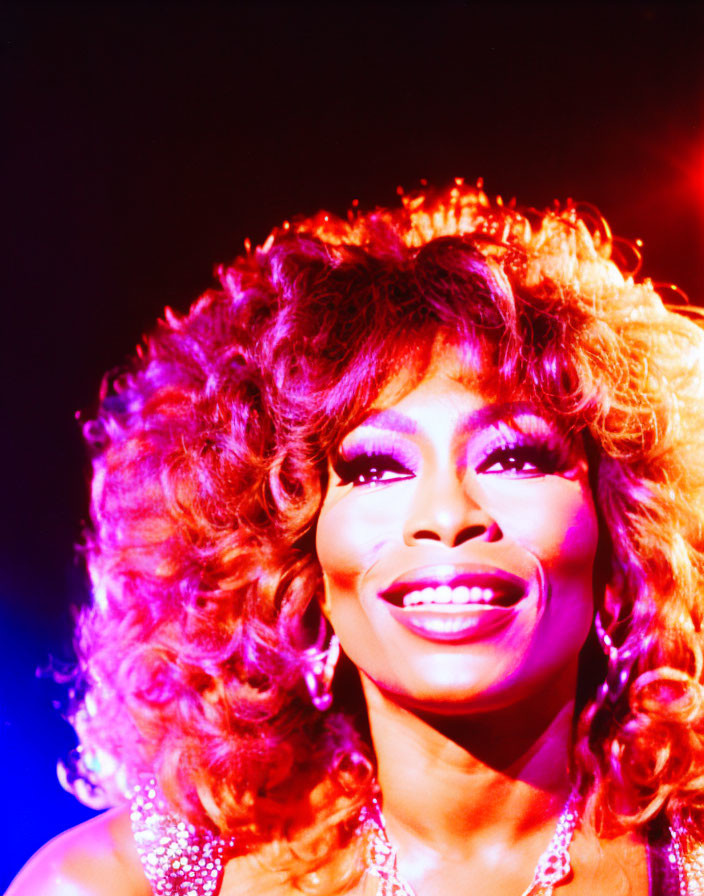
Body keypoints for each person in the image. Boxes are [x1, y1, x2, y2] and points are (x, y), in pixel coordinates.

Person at [8, 181, 704, 896]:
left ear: (624, 527)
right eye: (375, 468)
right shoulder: (115, 885)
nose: (447, 513)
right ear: (285, 554)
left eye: (514, 457)